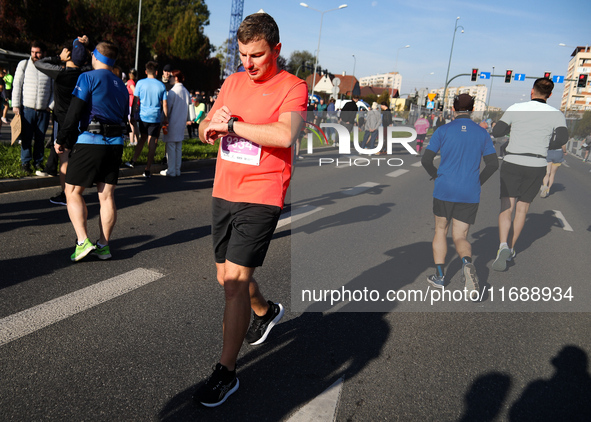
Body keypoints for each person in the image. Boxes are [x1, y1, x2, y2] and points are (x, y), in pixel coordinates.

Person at [194, 12, 307, 407]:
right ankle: (265, 311)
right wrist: (209, 128)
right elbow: (207, 123)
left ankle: (226, 373)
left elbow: (285, 133)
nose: (249, 63)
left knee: (235, 283)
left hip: (262, 193)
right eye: (242, 54)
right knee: (225, 277)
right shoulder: (232, 81)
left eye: (257, 55)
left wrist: (234, 126)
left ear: (276, 49)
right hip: (224, 189)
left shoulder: (293, 86)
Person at [54, 41, 129, 262]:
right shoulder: (122, 85)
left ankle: (82, 241)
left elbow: (74, 111)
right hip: (115, 144)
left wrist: (62, 139)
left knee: (72, 192)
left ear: (96, 56)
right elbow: (124, 117)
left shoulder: (87, 77)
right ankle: (104, 246)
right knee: (106, 196)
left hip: (91, 141)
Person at [421, 94, 498, 292]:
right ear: (472, 109)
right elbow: (493, 164)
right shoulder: (482, 134)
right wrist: (477, 182)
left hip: (444, 189)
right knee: (460, 236)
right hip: (469, 192)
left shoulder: (443, 130)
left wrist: (435, 176)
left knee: (440, 230)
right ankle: (467, 264)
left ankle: (439, 276)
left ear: (454, 109)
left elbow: (426, 160)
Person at [491, 78, 568, 271]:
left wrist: (514, 130)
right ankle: (511, 247)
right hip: (537, 163)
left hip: (513, 161)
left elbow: (498, 131)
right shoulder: (556, 114)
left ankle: (502, 246)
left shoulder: (516, 108)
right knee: (522, 209)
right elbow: (562, 138)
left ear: (532, 91)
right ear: (549, 95)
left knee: (506, 206)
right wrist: (544, 145)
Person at [34, 36, 91, 205]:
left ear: (69, 55)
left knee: (64, 160)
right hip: (81, 122)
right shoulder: (86, 73)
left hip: (62, 121)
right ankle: (75, 192)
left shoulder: (61, 73)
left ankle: (66, 195)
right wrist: (90, 46)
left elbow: (38, 63)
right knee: (76, 159)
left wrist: (58, 58)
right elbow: (101, 60)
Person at [12, 41, 54, 174]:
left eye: (38, 52)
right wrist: (16, 105)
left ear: (44, 53)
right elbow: (17, 85)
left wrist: (50, 107)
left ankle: (38, 163)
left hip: (43, 110)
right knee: (26, 137)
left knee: (40, 138)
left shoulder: (50, 67)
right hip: (27, 109)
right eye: (32, 52)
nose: (34, 55)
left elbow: (54, 90)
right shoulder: (23, 65)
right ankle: (25, 163)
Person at [124, 61, 168, 178]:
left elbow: (135, 100)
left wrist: (133, 115)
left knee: (142, 139)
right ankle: (147, 169)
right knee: (152, 141)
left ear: (145, 71)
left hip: (143, 116)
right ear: (157, 72)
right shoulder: (161, 85)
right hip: (155, 117)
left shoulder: (140, 83)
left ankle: (133, 161)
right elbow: (164, 104)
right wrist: (166, 118)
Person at [160, 70, 194, 177]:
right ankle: (177, 169)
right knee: (178, 147)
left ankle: (171, 170)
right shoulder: (185, 91)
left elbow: (168, 109)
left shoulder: (173, 92)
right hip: (181, 122)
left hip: (171, 122)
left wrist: (163, 119)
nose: (169, 78)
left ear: (176, 78)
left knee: (170, 146)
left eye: (170, 77)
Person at [126, 68, 139, 146]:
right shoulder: (135, 82)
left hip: (131, 103)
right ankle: (136, 141)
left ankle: (131, 142)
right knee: (134, 123)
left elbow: (134, 92)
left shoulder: (130, 82)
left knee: (131, 123)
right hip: (135, 103)